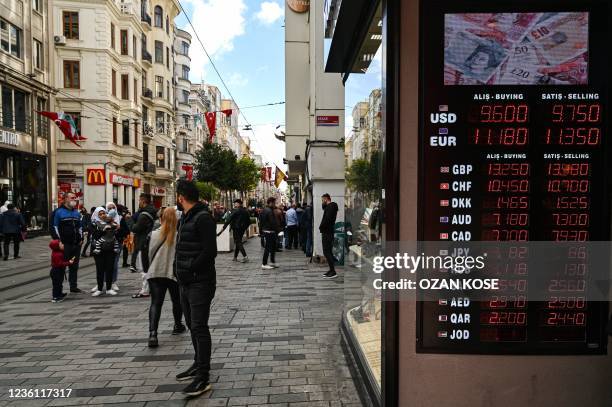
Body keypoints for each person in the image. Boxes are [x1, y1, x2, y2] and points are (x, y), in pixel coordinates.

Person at [174, 180, 217, 397]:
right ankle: (197, 363)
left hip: (200, 281)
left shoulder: (203, 217)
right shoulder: (186, 217)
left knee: (199, 326)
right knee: (191, 324)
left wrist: (190, 268)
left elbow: (210, 251)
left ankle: (203, 376)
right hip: (185, 281)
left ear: (181, 197)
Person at [147, 207, 186, 348]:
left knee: (156, 303)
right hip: (173, 273)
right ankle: (177, 325)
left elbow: (146, 255)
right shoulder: (179, 235)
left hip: (155, 272)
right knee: (177, 301)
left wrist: (147, 270)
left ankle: (153, 334)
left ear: (161, 217)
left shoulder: (153, 234)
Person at [53, 192, 83, 292]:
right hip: (64, 244)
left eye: (75, 198)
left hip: (76, 244)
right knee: (62, 266)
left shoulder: (76, 213)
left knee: (74, 266)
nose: (74, 200)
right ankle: (59, 289)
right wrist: (58, 241)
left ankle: (73, 286)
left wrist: (81, 239)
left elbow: (80, 227)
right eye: (72, 198)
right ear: (65, 199)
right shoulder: (58, 212)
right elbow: (54, 227)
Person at [91, 207, 120, 296]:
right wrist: (103, 230)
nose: (102, 215)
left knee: (109, 269)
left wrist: (115, 228)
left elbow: (117, 233)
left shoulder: (110, 222)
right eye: (100, 214)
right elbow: (95, 235)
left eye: (104, 213)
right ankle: (99, 288)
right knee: (100, 269)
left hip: (110, 249)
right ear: (96, 215)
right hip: (99, 250)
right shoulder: (94, 223)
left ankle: (108, 288)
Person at [130, 194, 157, 273]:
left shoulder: (144, 215)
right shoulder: (151, 211)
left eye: (139, 200)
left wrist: (129, 221)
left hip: (143, 242)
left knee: (145, 270)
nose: (139, 202)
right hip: (149, 240)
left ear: (143, 201)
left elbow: (136, 228)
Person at [107, 202, 129, 291]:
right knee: (105, 264)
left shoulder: (120, 218)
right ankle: (103, 282)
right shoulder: (103, 218)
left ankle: (113, 282)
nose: (111, 210)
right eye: (109, 208)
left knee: (114, 263)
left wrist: (119, 229)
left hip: (117, 243)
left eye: (113, 208)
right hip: (106, 244)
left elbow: (126, 230)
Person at [320, 193, 339, 279]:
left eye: (322, 200)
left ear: (326, 199)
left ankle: (333, 271)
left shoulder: (330, 207)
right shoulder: (329, 207)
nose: (322, 202)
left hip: (327, 232)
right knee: (327, 251)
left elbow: (327, 219)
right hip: (327, 231)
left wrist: (321, 226)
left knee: (327, 251)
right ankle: (331, 270)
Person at [259, 197, 280, 270]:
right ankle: (264, 263)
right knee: (268, 248)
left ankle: (272, 261)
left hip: (266, 230)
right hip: (270, 231)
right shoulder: (269, 211)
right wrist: (277, 230)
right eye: (274, 203)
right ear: (270, 202)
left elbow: (260, 221)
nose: (275, 204)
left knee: (272, 247)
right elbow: (272, 222)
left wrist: (261, 231)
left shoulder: (264, 210)